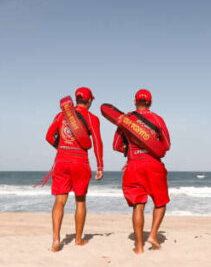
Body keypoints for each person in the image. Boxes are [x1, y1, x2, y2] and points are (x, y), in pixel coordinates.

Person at [45, 87, 104, 251]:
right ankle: (78, 239)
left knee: (59, 201)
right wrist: (100, 165)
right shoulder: (92, 119)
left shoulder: (61, 115)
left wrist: (62, 148)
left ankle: (56, 240)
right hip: (80, 162)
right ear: (90, 100)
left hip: (62, 161)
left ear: (76, 99)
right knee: (80, 201)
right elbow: (97, 143)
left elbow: (49, 136)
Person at [113, 89, 171, 254]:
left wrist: (130, 148)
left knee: (138, 205)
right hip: (153, 165)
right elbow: (166, 145)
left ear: (135, 101)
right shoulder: (158, 120)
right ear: (150, 103)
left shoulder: (126, 120)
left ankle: (139, 247)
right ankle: (152, 235)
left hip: (134, 165)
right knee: (160, 202)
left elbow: (116, 145)